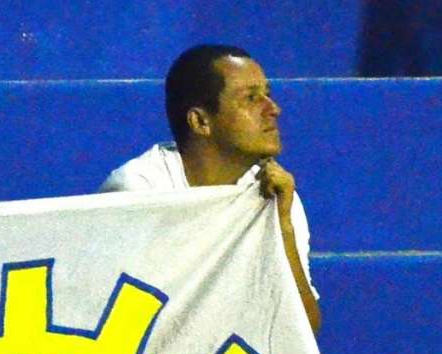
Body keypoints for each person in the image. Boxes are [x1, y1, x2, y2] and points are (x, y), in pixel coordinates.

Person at [100, 44, 321, 334]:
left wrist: (283, 228)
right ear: (201, 121)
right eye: (252, 98)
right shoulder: (138, 192)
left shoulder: (277, 193)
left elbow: (304, 332)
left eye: (268, 94)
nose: (273, 109)